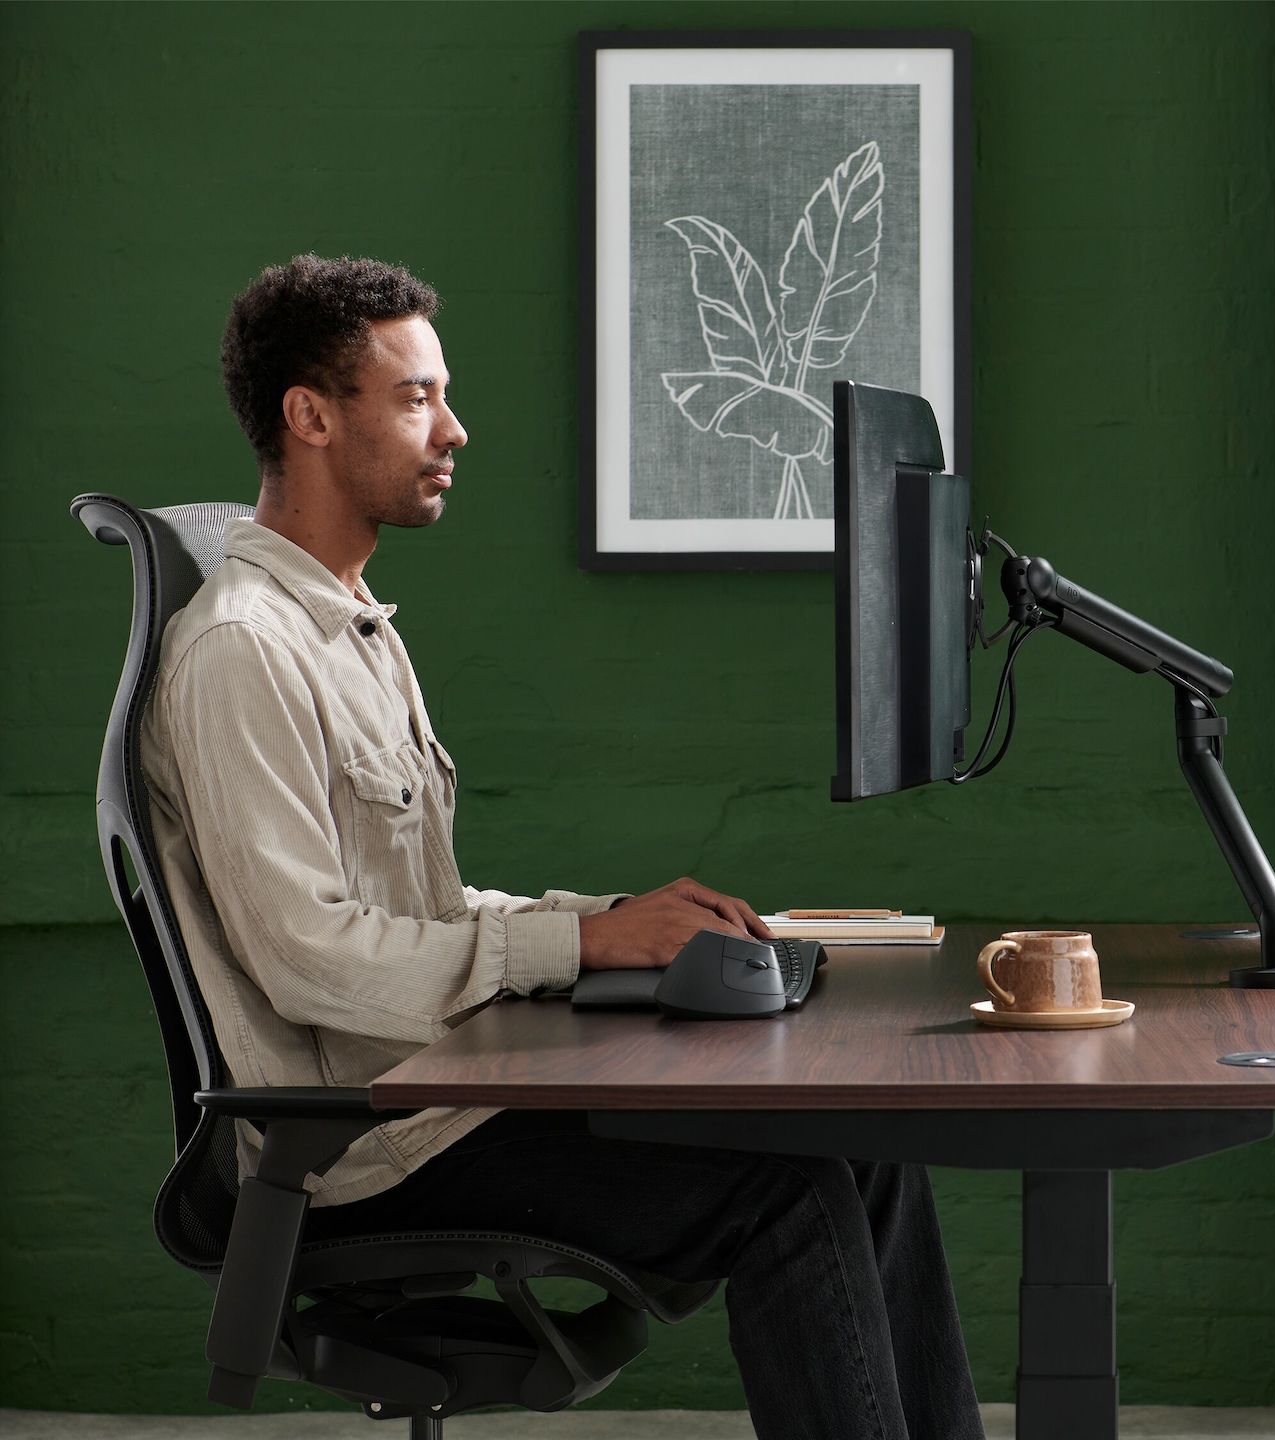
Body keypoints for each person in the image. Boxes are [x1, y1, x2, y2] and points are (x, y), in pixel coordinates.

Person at [141, 253, 985, 1440]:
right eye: (419, 397)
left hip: (440, 1096)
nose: (457, 430)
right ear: (311, 415)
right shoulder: (245, 650)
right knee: (789, 1187)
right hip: (371, 1147)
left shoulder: (352, 631)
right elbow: (308, 957)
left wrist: (613, 923)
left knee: (860, 1147)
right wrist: (579, 944)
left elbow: (417, 908)